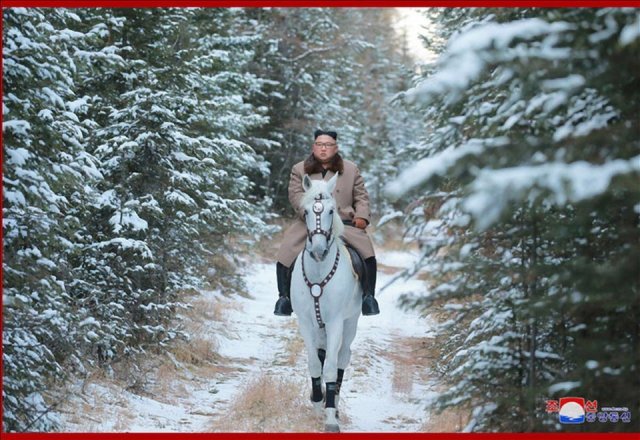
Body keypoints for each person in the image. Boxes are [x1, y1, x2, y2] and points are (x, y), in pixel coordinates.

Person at [274, 129, 380, 316]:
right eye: (320, 144)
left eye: (328, 145)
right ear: (314, 146)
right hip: (310, 222)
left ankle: (368, 298)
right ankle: (284, 298)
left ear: (336, 147)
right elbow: (295, 195)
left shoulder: (350, 169)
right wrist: (307, 212)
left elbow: (361, 196)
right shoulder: (299, 169)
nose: (323, 149)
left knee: (367, 255)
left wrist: (362, 216)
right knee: (286, 253)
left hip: (345, 223)